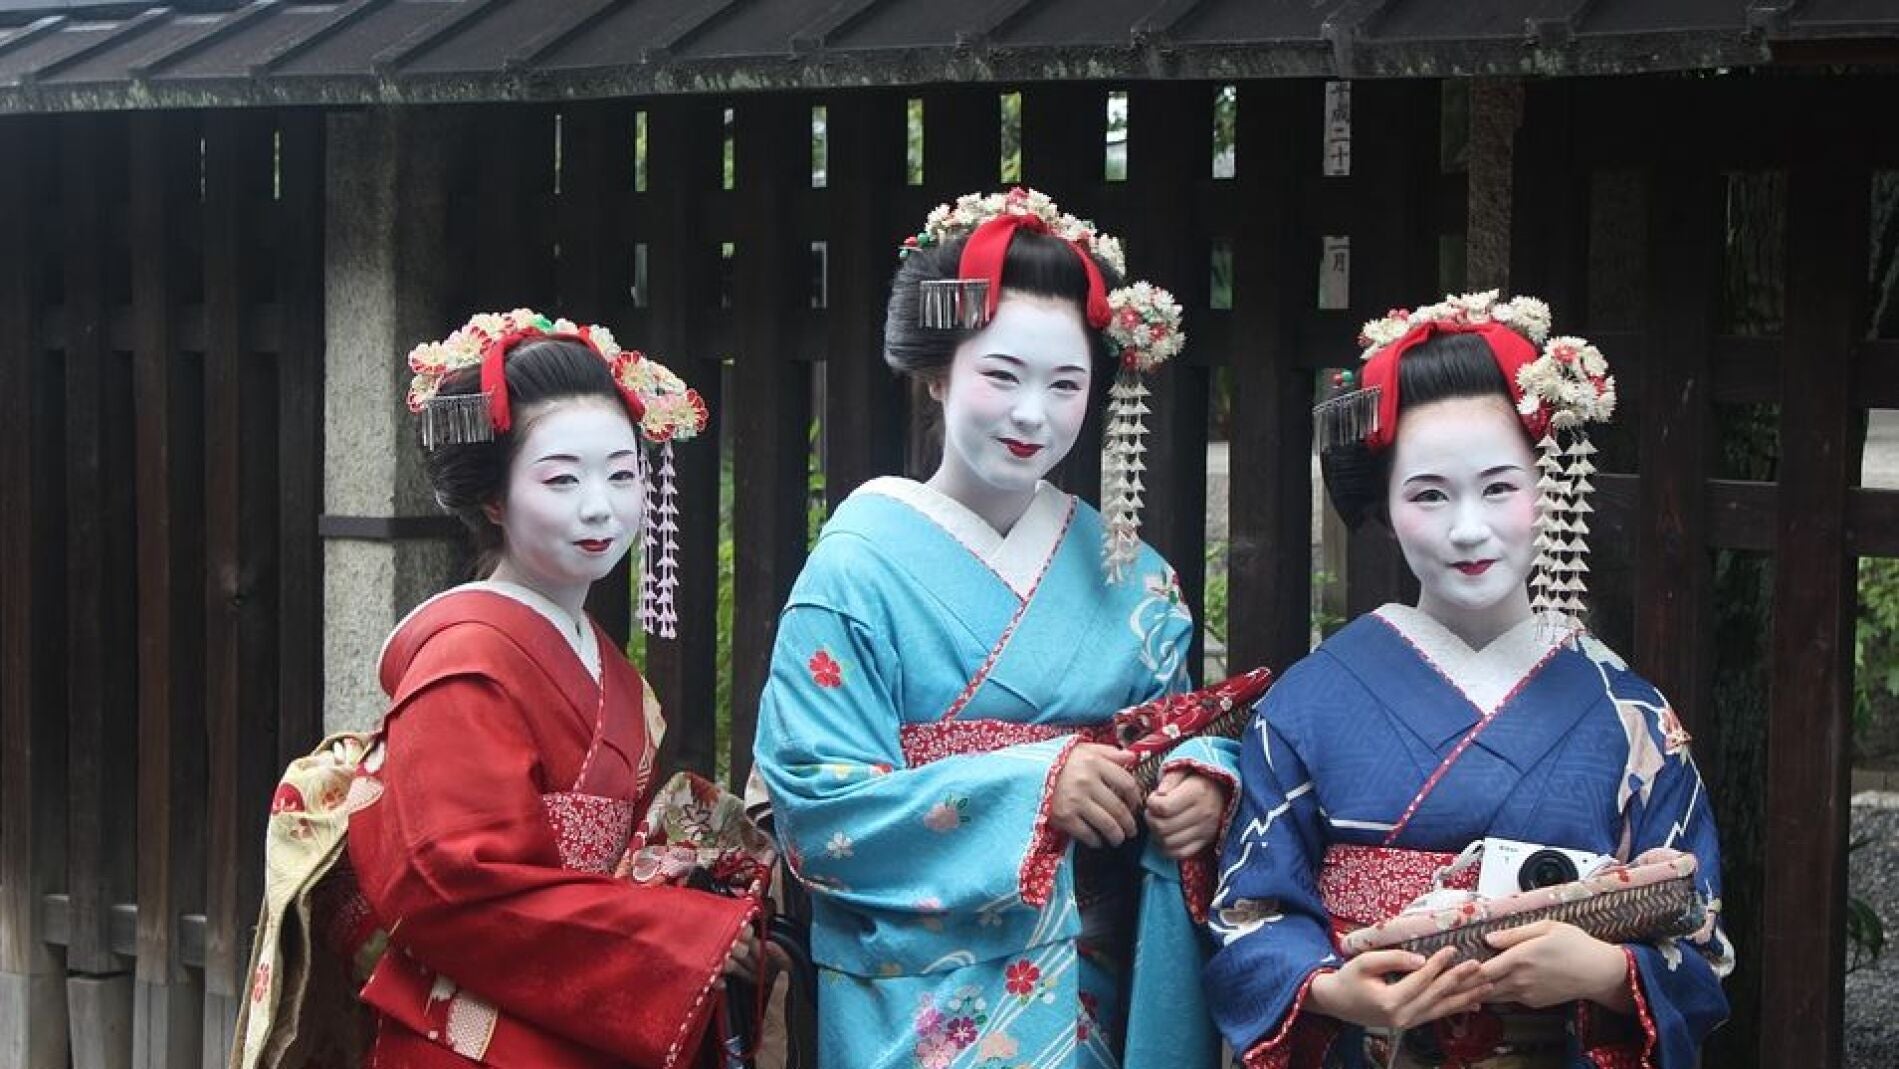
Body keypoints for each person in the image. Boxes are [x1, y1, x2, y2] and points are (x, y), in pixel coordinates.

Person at [752, 188, 1239, 1069]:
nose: (1031, 414)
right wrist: (1034, 789)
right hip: (914, 996)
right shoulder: (857, 564)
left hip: (1092, 988)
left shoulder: (1138, 578)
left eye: (1065, 385)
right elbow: (816, 806)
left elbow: (1175, 736)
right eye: (1001, 375)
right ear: (938, 373)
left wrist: (1201, 779)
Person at [1203, 292, 1734, 1068]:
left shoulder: (1629, 713)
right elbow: (1248, 912)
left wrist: (1604, 973)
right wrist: (1333, 988)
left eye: (1499, 486)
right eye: (1427, 493)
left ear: (1549, 486)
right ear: (1384, 503)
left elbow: (1700, 941)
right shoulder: (1307, 703)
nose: (1467, 528)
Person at [336, 309, 760, 1068]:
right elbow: (455, 884)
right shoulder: (464, 659)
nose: (599, 506)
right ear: (494, 498)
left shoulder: (603, 660)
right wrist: (679, 938)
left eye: (622, 474)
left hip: (586, 1009)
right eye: (561, 478)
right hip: (474, 1034)